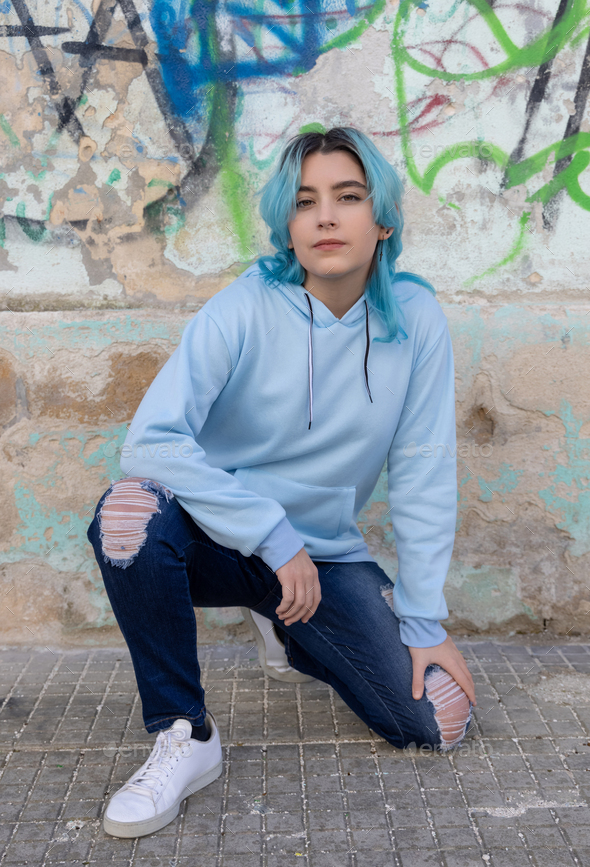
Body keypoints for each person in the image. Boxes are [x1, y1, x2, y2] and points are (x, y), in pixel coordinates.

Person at [87, 126, 477, 839]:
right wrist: (268, 530)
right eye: (305, 201)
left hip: (321, 554)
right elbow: (149, 441)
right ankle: (185, 732)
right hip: (217, 536)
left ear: (381, 219)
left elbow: (422, 468)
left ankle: (284, 622)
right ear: (287, 225)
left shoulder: (415, 318)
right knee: (127, 514)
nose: (326, 216)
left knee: (439, 720)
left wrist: (423, 623)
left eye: (348, 197)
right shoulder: (244, 306)